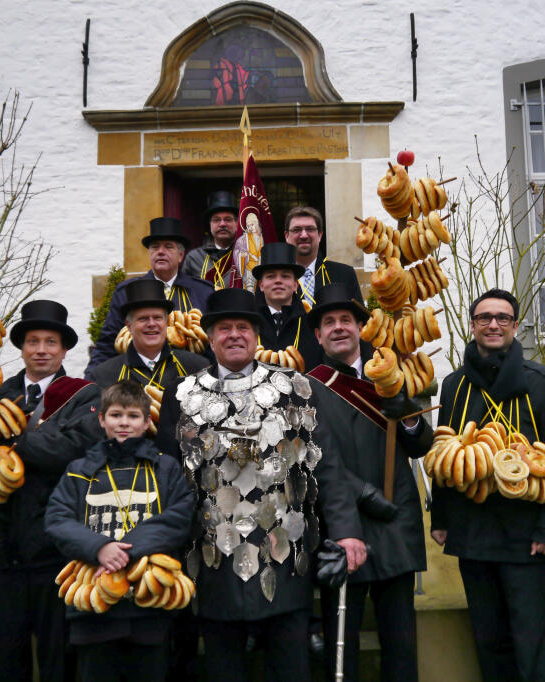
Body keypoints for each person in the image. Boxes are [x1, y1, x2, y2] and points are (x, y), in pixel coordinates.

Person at [155, 287, 367, 682]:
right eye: (224, 328)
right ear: (211, 337)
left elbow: (329, 468)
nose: (234, 335)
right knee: (223, 668)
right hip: (212, 556)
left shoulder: (297, 388)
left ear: (257, 336)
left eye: (243, 327)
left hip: (284, 554)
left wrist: (348, 532)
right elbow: (167, 476)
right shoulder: (182, 395)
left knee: (290, 668)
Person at [430, 288, 545, 682]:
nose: (493, 324)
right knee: (488, 639)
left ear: (514, 326)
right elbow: (446, 453)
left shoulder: (544, 382)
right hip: (472, 531)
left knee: (529, 642)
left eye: (502, 318)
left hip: (525, 534)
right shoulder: (455, 385)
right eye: (484, 318)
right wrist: (441, 518)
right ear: (473, 325)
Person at [0, 300, 104, 682]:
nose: (42, 349)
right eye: (33, 341)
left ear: (64, 349)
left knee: (59, 657)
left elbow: (72, 452)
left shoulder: (84, 397)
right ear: (21, 349)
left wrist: (10, 440)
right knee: (6, 657)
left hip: (55, 551)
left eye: (51, 342)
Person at [307, 283, 432, 681]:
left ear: (362, 327)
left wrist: (407, 413)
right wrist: (361, 493)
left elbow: (420, 444)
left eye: (346, 319)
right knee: (342, 642)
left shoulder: (390, 374)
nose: (338, 328)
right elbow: (312, 460)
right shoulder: (306, 388)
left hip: (395, 519)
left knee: (401, 640)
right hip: (342, 524)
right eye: (329, 322)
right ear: (317, 335)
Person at [45, 381, 195, 681]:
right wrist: (99, 547)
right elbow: (57, 518)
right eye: (115, 415)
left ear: (146, 421)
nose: (124, 422)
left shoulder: (165, 468)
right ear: (101, 419)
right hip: (93, 616)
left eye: (133, 415)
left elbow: (179, 517)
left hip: (151, 612)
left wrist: (124, 551)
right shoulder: (78, 469)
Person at [88, 217, 214, 377]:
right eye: (155, 247)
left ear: (181, 255)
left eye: (168, 247)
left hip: (192, 376)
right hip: (138, 378)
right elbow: (107, 344)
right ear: (149, 253)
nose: (161, 251)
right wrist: (89, 384)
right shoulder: (126, 292)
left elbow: (213, 343)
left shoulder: (203, 292)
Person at [90, 278, 209, 393]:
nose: (152, 324)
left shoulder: (197, 368)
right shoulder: (104, 376)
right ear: (129, 326)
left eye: (157, 318)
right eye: (143, 319)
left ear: (167, 322)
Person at [254, 242, 322, 371]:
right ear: (261, 285)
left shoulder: (312, 322)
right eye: (271, 276)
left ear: (296, 285)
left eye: (285, 276)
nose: (278, 280)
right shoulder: (248, 321)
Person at [283, 206, 363, 308]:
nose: (303, 235)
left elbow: (360, 320)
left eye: (310, 229)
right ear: (286, 236)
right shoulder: (272, 279)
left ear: (320, 235)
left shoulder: (345, 274)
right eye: (296, 229)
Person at [182, 190, 237, 287]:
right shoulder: (194, 258)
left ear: (237, 224)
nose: (222, 224)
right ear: (210, 225)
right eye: (216, 220)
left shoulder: (247, 257)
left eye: (228, 219)